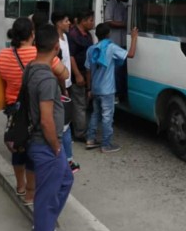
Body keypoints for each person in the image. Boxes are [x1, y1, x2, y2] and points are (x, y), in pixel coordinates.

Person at [0, 18, 68, 205]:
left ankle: (20, 185)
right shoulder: (39, 54)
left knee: (18, 146)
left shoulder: (4, 54)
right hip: (36, 107)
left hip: (15, 108)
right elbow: (64, 74)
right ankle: (30, 193)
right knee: (32, 151)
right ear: (32, 34)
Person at [27, 24, 73, 231]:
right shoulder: (45, 77)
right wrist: (55, 146)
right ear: (56, 47)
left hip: (42, 142)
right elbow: (46, 120)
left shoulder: (33, 67)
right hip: (46, 143)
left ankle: (46, 223)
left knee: (66, 179)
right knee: (46, 197)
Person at [85, 23, 138, 153]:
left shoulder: (91, 49)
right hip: (107, 90)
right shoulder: (111, 48)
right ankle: (106, 144)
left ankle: (90, 139)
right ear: (109, 34)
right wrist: (134, 38)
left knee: (95, 114)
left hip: (95, 88)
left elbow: (87, 70)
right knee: (108, 116)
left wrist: (89, 88)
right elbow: (130, 55)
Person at [51, 11, 80, 173]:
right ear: (58, 23)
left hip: (67, 82)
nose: (69, 23)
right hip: (61, 84)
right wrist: (63, 89)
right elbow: (57, 66)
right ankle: (65, 159)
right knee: (63, 125)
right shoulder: (55, 41)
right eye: (66, 20)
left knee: (65, 122)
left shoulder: (65, 37)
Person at [67, 10, 95, 141]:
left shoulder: (87, 35)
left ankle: (76, 128)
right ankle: (80, 133)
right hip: (77, 75)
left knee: (80, 103)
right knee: (80, 105)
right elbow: (71, 56)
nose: (93, 23)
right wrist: (77, 74)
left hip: (86, 74)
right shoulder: (73, 35)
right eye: (90, 20)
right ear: (83, 21)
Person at [104, 0, 130, 100]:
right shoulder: (112, 4)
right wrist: (124, 25)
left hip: (124, 42)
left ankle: (123, 92)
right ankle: (116, 94)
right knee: (117, 71)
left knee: (124, 71)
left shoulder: (125, 4)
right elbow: (108, 21)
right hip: (115, 43)